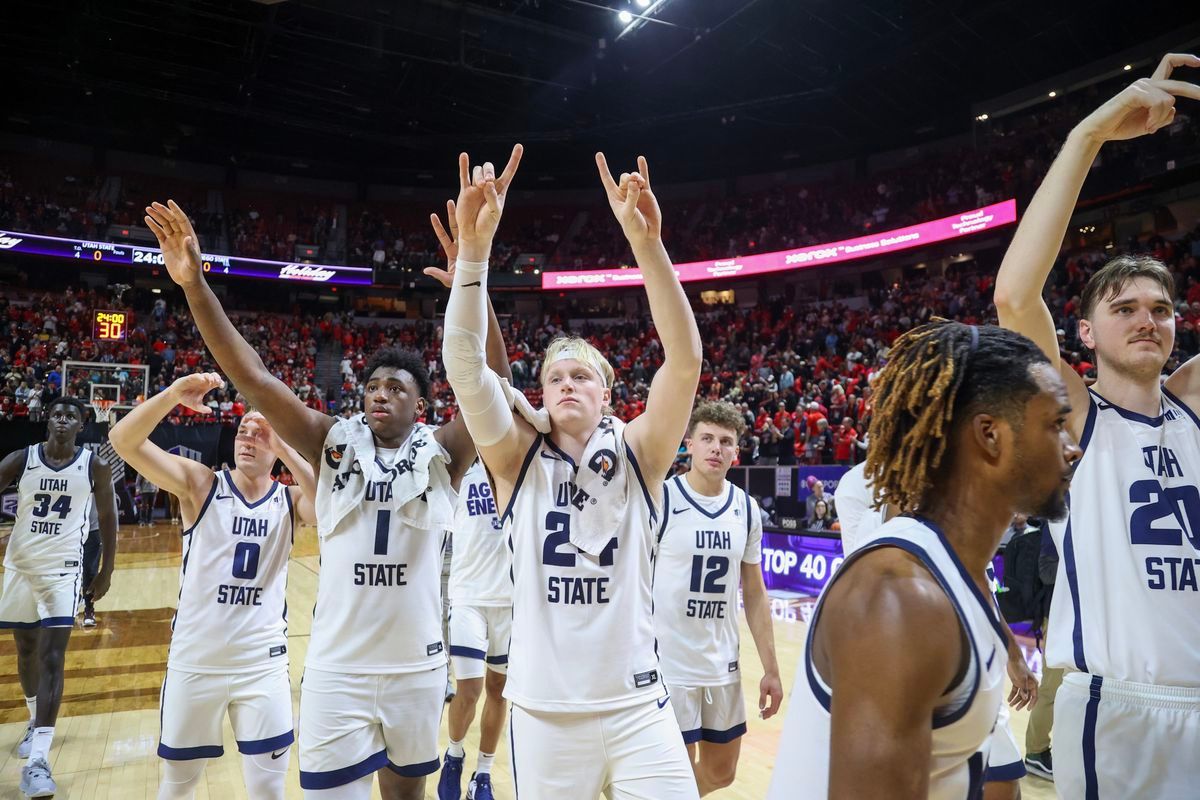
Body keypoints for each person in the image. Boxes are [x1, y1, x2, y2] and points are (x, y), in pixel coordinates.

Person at [146, 195, 512, 800]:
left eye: (396, 387)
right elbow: (254, 378)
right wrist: (194, 285)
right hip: (337, 671)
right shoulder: (329, 440)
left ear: (419, 403)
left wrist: (474, 282)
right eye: (372, 385)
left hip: (415, 668)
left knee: (405, 796)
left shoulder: (444, 450)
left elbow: (491, 387)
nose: (380, 394)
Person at [442, 150, 702, 798]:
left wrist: (648, 245)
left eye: (580, 375)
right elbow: (465, 367)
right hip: (546, 712)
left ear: (608, 393)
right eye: (554, 377)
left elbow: (687, 362)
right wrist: (475, 255)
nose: (565, 383)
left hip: (640, 705)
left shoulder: (641, 450)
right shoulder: (513, 457)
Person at [993, 54, 1200, 798]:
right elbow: (1016, 296)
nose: (1147, 319)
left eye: (1162, 309)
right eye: (1125, 309)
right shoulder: (1076, 417)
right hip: (1119, 708)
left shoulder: (1190, 407)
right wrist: (1090, 134)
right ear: (1084, 333)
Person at [767, 320, 1080, 799]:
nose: (1072, 447)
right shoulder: (901, 598)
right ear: (990, 435)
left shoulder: (954, 570)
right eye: (1056, 425)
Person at [110, 374, 317, 800]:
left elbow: (329, 503)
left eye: (261, 434)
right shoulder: (202, 484)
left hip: (262, 665)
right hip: (195, 660)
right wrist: (171, 395)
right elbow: (123, 440)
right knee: (178, 788)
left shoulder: (290, 500)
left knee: (268, 789)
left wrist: (284, 448)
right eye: (244, 429)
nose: (249, 437)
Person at [652, 401, 783, 795]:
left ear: (736, 453)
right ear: (688, 445)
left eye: (725, 442)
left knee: (722, 773)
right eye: (707, 439)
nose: (716, 448)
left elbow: (755, 594)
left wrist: (772, 668)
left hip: (721, 663)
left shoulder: (746, 508)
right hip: (667, 666)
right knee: (673, 772)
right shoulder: (662, 498)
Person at [0, 396, 119, 797]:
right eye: (57, 414)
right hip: (19, 568)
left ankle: (39, 762)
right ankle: (35, 722)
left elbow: (108, 518)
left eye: (71, 416)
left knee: (53, 657)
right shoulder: (22, 459)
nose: (63, 420)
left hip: (64, 572)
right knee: (27, 651)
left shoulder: (94, 465)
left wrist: (106, 570)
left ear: (82, 425)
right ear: (47, 420)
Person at [437, 460, 508, 800]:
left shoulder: (521, 464)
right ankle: (453, 755)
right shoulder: (463, 469)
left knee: (499, 689)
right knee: (469, 688)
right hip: (467, 594)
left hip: (511, 599)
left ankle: (483, 773)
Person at [80, 495, 101, 627]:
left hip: (93, 529)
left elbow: (110, 508)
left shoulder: (99, 475)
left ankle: (89, 609)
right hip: (71, 530)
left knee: (89, 570)